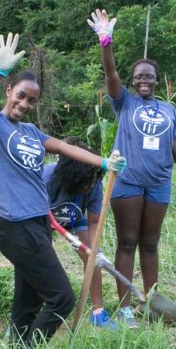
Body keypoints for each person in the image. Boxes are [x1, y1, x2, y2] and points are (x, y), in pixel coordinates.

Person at [0, 34, 126, 346]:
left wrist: (103, 162)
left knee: (28, 300)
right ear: (8, 91)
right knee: (62, 298)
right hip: (15, 226)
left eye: (31, 101)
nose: (24, 104)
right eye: (20, 96)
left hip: (38, 223)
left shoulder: (31, 132)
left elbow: (63, 147)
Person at [88, 9, 176, 328]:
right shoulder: (124, 101)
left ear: (156, 80)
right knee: (126, 243)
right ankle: (125, 309)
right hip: (127, 183)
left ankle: (149, 302)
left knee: (150, 244)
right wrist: (105, 42)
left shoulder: (169, 110)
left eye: (148, 76)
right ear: (133, 80)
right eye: (138, 76)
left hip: (159, 185)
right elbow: (111, 76)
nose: (143, 80)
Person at [44, 138, 113, 329]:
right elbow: (37, 214)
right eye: (86, 182)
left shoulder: (94, 182)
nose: (90, 186)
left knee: (91, 256)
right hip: (43, 219)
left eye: (93, 181)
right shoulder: (46, 179)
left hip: (76, 218)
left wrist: (93, 251)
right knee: (40, 262)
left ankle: (98, 312)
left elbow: (93, 222)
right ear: (71, 176)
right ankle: (28, 314)